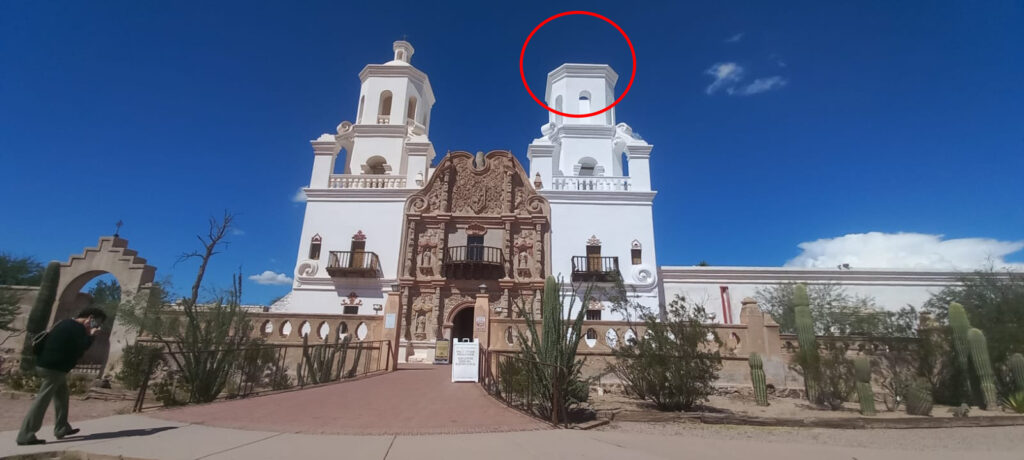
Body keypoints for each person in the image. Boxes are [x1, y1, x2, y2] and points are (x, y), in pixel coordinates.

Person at [16, 307, 106, 445]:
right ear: (90, 318)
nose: (96, 326)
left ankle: (62, 427)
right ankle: (26, 434)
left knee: (62, 395)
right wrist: (92, 335)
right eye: (97, 323)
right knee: (42, 400)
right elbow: (83, 347)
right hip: (54, 368)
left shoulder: (64, 323)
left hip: (47, 365)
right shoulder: (78, 328)